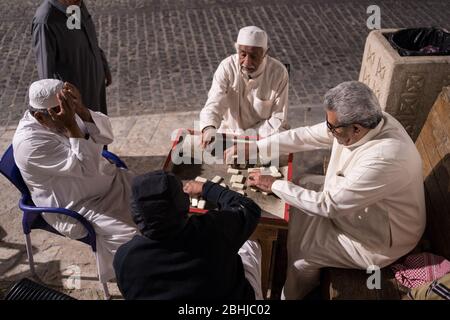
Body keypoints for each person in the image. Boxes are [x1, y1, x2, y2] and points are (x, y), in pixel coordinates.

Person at [227, 81, 426, 299]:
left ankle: (294, 294)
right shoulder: (366, 122)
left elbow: (328, 205)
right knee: (302, 184)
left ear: (356, 129)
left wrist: (273, 184)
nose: (328, 130)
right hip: (358, 210)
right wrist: (257, 147)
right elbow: (306, 136)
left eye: (332, 128)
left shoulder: (385, 157)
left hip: (379, 240)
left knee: (303, 256)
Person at [12, 79, 137, 283]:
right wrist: (70, 124)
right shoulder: (30, 145)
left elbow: (106, 136)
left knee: (158, 202)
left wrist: (83, 111)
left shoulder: (63, 112)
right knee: (134, 239)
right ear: (40, 117)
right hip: (80, 206)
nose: (70, 113)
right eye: (64, 110)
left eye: (70, 105)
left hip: (109, 180)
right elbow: (86, 169)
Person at [113, 170, 263, 300]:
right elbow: (249, 209)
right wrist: (206, 188)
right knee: (250, 242)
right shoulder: (212, 230)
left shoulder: (125, 258)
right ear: (185, 205)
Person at [199, 26, 289, 148]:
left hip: (262, 137)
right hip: (229, 134)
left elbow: (278, 118)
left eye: (253, 56)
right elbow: (214, 102)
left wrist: (249, 140)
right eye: (243, 54)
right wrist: (209, 126)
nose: (247, 62)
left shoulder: (278, 73)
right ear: (237, 51)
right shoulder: (226, 67)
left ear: (265, 53)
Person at [32, 0, 111, 115]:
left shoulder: (75, 5)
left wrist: (103, 64)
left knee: (101, 128)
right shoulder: (45, 21)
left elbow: (86, 38)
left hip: (95, 87)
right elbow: (46, 77)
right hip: (76, 98)